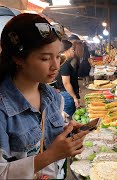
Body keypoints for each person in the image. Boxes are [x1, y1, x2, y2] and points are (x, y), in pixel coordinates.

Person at [0, 13, 88, 179]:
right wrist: (51, 155)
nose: (56, 66)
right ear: (18, 58)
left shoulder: (54, 97)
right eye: (45, 58)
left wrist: (68, 132)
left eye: (57, 56)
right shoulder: (3, 110)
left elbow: (46, 136)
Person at [55, 40, 80, 117]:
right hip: (67, 95)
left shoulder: (63, 62)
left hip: (66, 93)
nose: (73, 51)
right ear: (66, 50)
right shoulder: (65, 64)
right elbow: (66, 83)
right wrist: (74, 97)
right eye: (72, 49)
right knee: (68, 117)